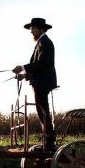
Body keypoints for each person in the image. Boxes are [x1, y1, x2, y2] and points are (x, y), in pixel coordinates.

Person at [12, 17, 58, 151]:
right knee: (41, 110)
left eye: (33, 28)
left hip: (43, 82)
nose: (31, 31)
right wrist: (24, 75)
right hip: (40, 81)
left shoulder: (45, 42)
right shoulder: (41, 42)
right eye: (31, 29)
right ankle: (48, 140)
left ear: (41, 28)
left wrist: (22, 67)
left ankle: (50, 142)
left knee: (43, 111)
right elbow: (37, 66)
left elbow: (42, 64)